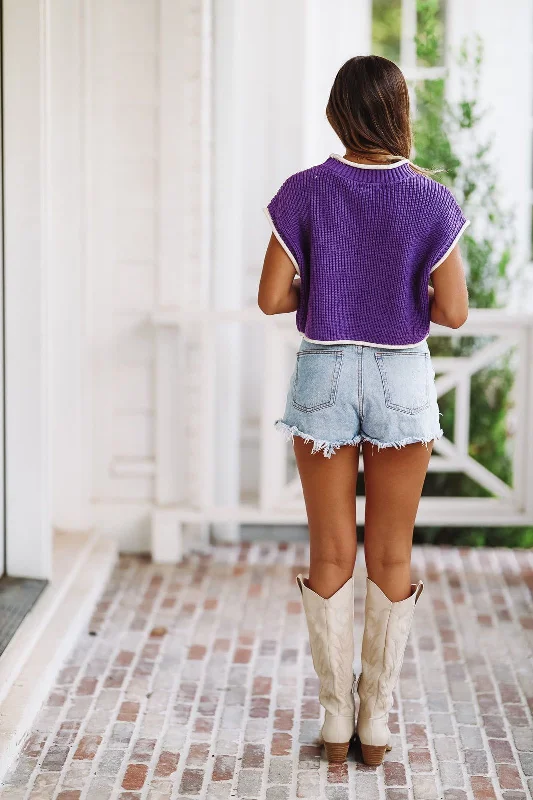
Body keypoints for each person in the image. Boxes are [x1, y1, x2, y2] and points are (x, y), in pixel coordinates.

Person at [257, 55, 469, 766]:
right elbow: (455, 312)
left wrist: (323, 291)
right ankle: (374, 722)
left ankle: (332, 718)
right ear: (398, 113)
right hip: (401, 377)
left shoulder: (304, 191)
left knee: (329, 551)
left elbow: (270, 296)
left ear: (336, 112)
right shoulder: (430, 200)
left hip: (323, 373)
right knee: (390, 551)